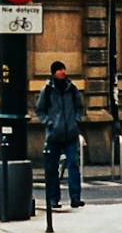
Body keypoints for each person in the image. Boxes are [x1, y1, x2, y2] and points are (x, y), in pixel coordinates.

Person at [36, 60, 86, 208]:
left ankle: (75, 197)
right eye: (59, 70)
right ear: (54, 73)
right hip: (54, 135)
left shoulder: (71, 88)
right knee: (52, 168)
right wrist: (48, 122)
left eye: (64, 69)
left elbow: (79, 106)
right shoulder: (48, 90)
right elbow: (40, 110)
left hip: (70, 133)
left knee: (73, 164)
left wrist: (76, 120)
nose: (63, 72)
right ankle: (53, 198)